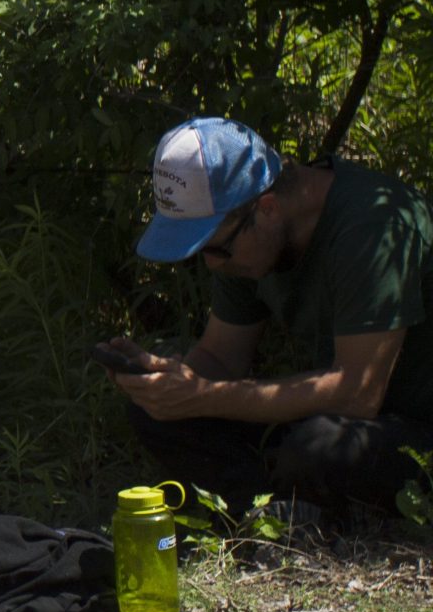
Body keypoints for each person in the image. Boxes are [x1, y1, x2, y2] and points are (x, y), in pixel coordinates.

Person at [107, 116, 433, 523]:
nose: (211, 265)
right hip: (337, 418)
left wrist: (204, 395)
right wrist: (166, 383)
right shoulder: (245, 241)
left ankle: (292, 504)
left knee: (317, 448)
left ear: (268, 209)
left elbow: (358, 393)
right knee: (155, 416)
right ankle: (265, 511)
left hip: (411, 429)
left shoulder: (373, 225)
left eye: (217, 249)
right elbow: (221, 359)